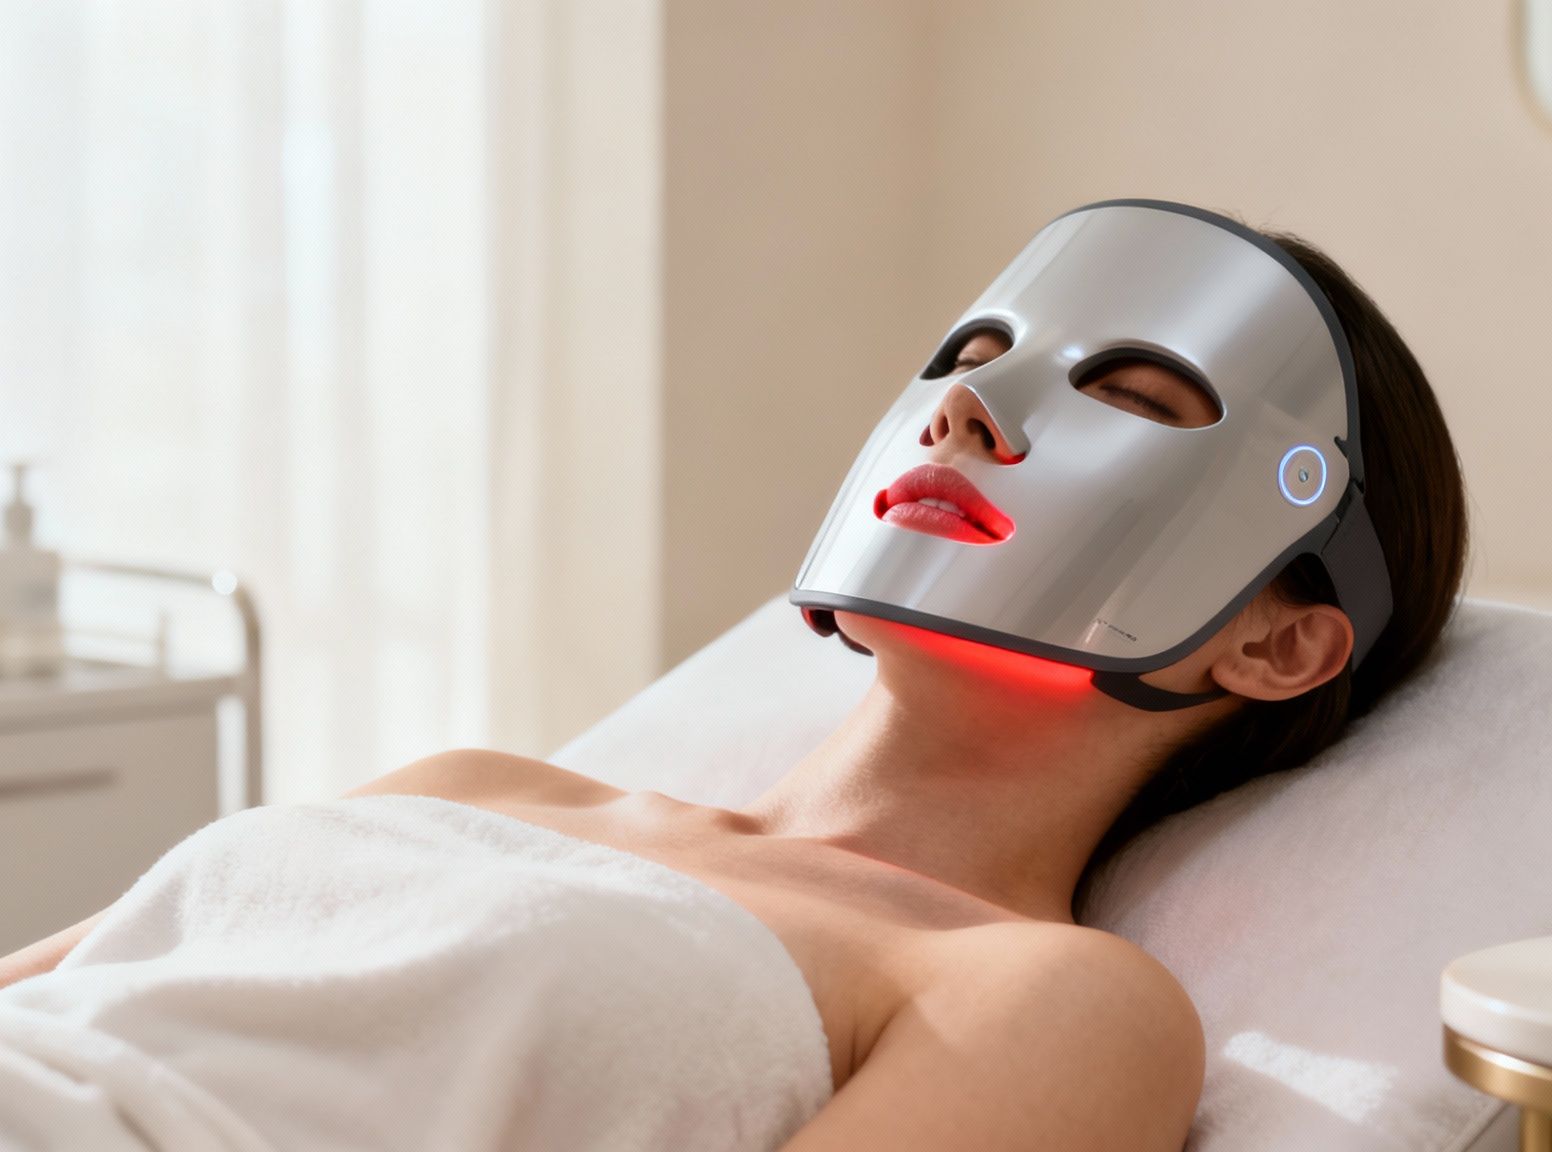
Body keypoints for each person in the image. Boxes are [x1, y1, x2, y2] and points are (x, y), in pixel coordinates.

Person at [0, 201, 1465, 1151]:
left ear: (1280, 642)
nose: (967, 406)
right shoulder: (477, 785)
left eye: (1132, 396)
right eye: (968, 355)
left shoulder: (1044, 995)